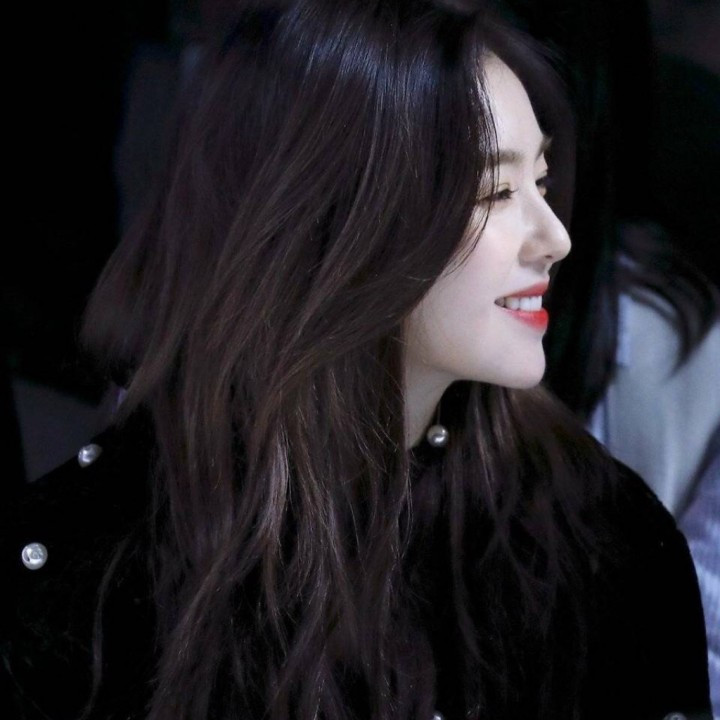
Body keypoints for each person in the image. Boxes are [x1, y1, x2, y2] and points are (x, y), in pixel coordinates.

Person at [0, 1, 712, 719]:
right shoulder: (78, 575)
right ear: (334, 222)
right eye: (497, 191)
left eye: (543, 180)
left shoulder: (599, 541)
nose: (555, 237)